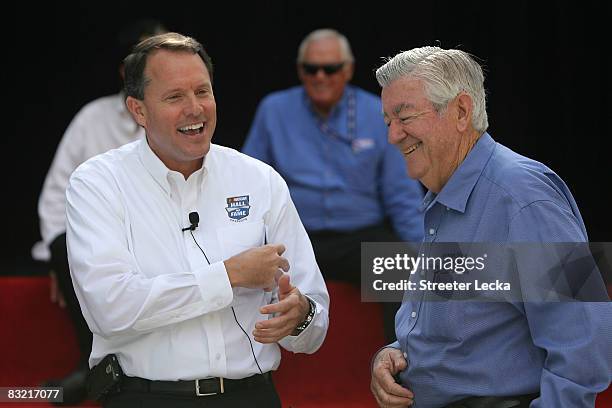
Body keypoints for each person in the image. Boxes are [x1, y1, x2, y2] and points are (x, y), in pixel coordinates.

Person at [65, 32, 329, 408]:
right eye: (175, 97)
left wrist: (301, 315)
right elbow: (111, 308)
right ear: (138, 110)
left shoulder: (259, 180)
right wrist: (229, 276)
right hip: (146, 397)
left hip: (250, 396)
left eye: (202, 92)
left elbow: (313, 322)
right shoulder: (98, 183)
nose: (195, 108)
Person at [369, 46, 612, 407]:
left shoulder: (525, 197)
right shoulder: (444, 198)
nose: (393, 136)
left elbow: (584, 345)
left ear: (461, 111)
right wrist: (394, 353)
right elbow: (470, 328)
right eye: (388, 121)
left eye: (404, 117)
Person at [242, 29, 423, 341]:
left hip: (359, 238)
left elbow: (402, 196)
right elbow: (247, 185)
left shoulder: (377, 112)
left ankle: (403, 373)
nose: (321, 76)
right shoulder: (274, 110)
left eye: (332, 68)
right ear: (301, 71)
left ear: (349, 70)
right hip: (294, 236)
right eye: (312, 69)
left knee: (401, 270)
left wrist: (428, 255)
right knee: (246, 274)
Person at [34, 19, 167, 405]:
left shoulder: (180, 118)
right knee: (65, 246)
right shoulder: (91, 119)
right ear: (126, 70)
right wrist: (59, 260)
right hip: (97, 242)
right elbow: (56, 195)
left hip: (162, 237)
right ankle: (90, 367)